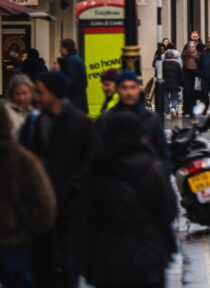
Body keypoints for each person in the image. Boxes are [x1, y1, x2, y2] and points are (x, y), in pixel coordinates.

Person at [20, 70, 95, 288]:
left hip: (69, 212)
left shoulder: (80, 124)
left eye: (40, 92)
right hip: (40, 212)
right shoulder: (34, 123)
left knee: (67, 272)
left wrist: (71, 188)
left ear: (55, 94)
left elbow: (93, 164)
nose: (36, 97)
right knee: (42, 270)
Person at [86, 109, 177, 288]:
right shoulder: (151, 168)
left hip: (107, 260)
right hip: (147, 255)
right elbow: (168, 209)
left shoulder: (96, 169)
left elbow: (86, 215)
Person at [0, 102, 57, 288]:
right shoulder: (24, 160)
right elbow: (45, 205)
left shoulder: (22, 160)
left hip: (14, 241)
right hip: (15, 241)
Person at [103, 71, 170, 168]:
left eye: (133, 87)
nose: (129, 92)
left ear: (138, 89)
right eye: (124, 88)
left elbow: (163, 152)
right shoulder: (107, 118)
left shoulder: (151, 119)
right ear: (117, 90)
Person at [56, 39, 88, 115]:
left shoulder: (70, 61)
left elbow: (68, 81)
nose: (59, 50)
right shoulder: (77, 59)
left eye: (61, 47)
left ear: (66, 48)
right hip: (79, 101)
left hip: (74, 102)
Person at [181, 32, 203, 116]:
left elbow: (200, 65)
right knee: (187, 93)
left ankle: (192, 111)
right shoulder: (185, 54)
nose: (191, 48)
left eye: (192, 46)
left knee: (194, 94)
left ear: (195, 47)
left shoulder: (198, 55)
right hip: (187, 75)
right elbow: (183, 66)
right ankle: (186, 110)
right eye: (190, 47)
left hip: (195, 75)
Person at [162, 44, 183, 118]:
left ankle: (167, 112)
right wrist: (181, 84)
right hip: (175, 83)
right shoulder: (177, 64)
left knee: (165, 97)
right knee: (175, 97)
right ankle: (173, 107)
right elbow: (180, 75)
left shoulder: (162, 64)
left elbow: (158, 74)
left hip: (165, 84)